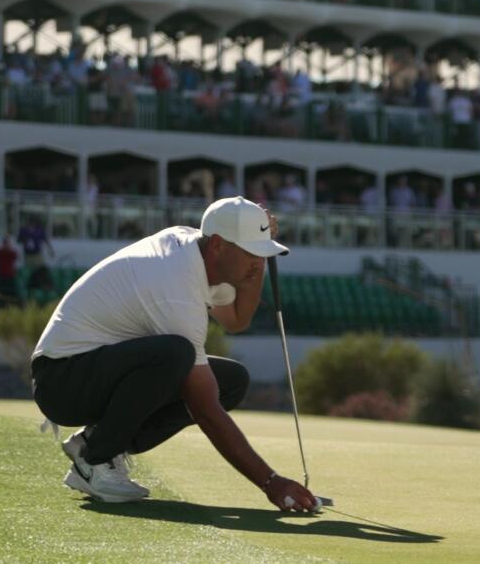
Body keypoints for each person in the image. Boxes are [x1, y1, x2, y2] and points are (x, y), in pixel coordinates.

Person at [30, 197, 318, 510]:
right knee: (176, 355)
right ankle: (95, 461)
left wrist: (258, 257)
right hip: (61, 381)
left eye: (262, 254)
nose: (258, 261)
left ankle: (95, 444)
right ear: (219, 245)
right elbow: (205, 408)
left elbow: (236, 318)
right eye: (252, 252)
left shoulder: (198, 253)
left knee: (231, 381)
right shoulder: (176, 284)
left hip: (92, 369)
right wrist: (270, 482)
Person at [0, 235, 19, 301]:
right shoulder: (1, 252)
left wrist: (8, 248)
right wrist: (3, 248)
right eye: (5, 243)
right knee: (1, 292)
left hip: (10, 275)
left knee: (11, 292)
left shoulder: (11, 252)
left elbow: (16, 255)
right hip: (1, 275)